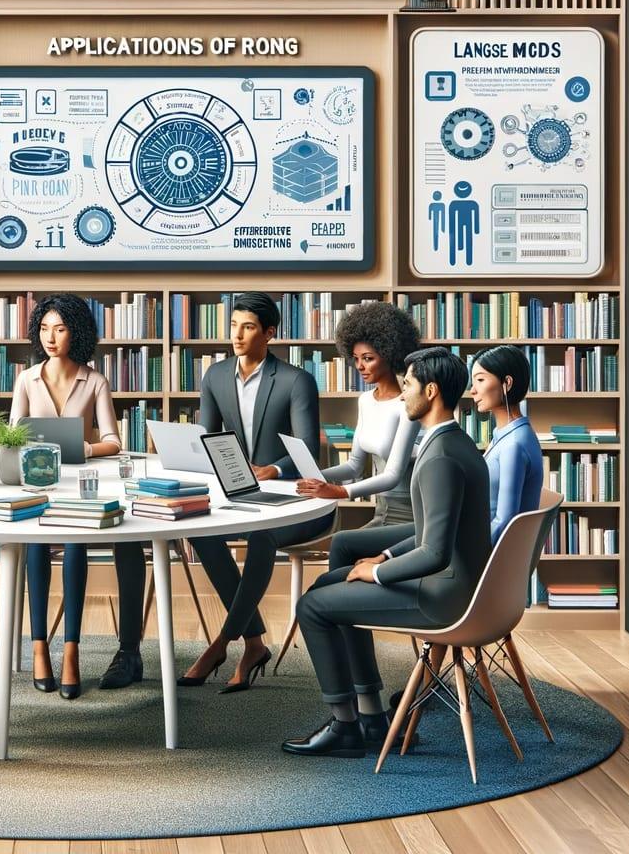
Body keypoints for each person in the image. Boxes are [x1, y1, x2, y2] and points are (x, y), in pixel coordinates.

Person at [281, 347, 493, 758]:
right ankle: (372, 717)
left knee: (312, 606)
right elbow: (430, 528)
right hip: (456, 584)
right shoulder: (453, 443)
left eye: (409, 385)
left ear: (430, 392)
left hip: (443, 597)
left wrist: (375, 575)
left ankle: (346, 726)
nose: (402, 395)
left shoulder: (440, 459)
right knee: (331, 583)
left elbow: (434, 552)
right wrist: (384, 557)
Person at [182, 292, 324, 692]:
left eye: (247, 327)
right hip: (239, 494)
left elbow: (308, 448)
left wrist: (273, 468)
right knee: (200, 532)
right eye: (233, 326)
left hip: (293, 497)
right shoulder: (215, 376)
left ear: (269, 333)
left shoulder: (297, 380)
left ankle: (220, 642)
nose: (237, 335)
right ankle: (255, 643)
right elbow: (209, 439)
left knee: (264, 536)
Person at [9, 293, 147, 698]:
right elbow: (12, 436)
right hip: (35, 483)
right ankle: (39, 650)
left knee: (74, 544)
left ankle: (71, 652)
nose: (51, 338)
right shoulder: (26, 379)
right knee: (35, 546)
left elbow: (113, 441)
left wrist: (79, 447)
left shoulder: (95, 380)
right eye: (45, 329)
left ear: (77, 333)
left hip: (78, 487)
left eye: (61, 329)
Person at [295, 302, 423, 528]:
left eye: (368, 358)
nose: (360, 366)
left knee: (345, 546)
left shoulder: (406, 404)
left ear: (389, 354)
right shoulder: (365, 401)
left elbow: (393, 475)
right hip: (381, 510)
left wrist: (339, 491)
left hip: (410, 513)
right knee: (345, 548)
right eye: (355, 358)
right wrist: (316, 478)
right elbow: (354, 465)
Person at [472, 345, 544, 541]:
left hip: (490, 557)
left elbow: (504, 521)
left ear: (507, 383)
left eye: (480, 380)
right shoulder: (505, 434)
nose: (472, 391)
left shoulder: (514, 444)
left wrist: (464, 550)